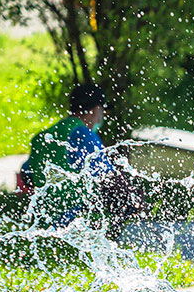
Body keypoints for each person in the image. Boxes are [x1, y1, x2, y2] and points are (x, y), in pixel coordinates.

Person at [20, 83, 141, 232]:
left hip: (44, 220)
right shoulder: (84, 135)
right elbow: (108, 177)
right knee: (127, 193)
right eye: (102, 111)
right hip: (75, 220)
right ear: (96, 109)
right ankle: (115, 235)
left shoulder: (44, 136)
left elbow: (27, 174)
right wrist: (134, 197)